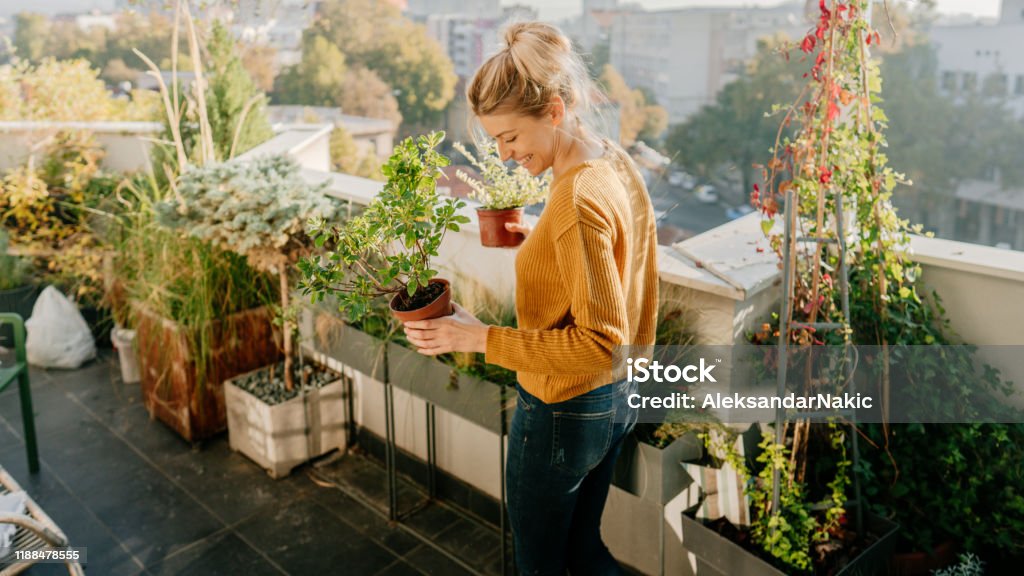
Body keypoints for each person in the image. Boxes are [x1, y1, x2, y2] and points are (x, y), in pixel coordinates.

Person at [402, 21, 659, 576]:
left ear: (556, 111)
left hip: (566, 407)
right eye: (495, 140)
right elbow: (617, 252)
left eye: (511, 137)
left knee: (540, 564)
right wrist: (539, 238)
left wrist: (476, 337)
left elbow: (596, 343)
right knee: (583, 551)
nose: (504, 153)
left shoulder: (577, 201)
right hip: (617, 398)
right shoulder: (607, 159)